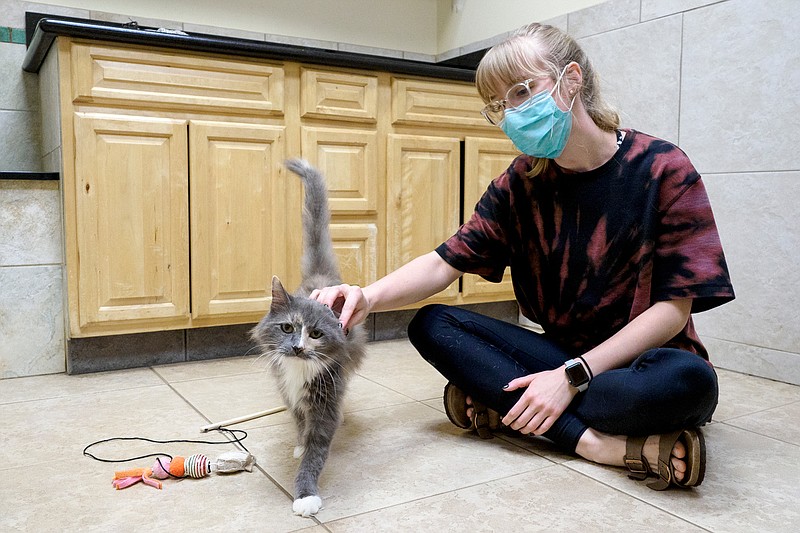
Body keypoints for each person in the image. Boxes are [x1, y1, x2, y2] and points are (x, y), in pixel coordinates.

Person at [311, 22, 734, 490]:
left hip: (645, 363)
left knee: (689, 384)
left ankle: (504, 399)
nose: (511, 112)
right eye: (498, 105)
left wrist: (574, 376)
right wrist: (365, 297)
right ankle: (593, 442)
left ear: (571, 80)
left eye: (520, 91)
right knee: (433, 325)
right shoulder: (520, 184)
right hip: (559, 356)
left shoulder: (663, 169)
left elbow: (673, 312)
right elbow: (444, 262)